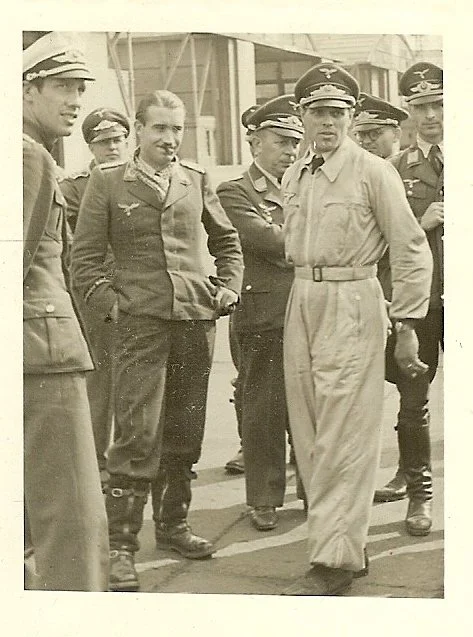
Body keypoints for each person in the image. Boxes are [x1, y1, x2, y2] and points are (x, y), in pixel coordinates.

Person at [71, 89, 244, 592]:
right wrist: (113, 307)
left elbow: (226, 240)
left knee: (185, 428)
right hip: (139, 323)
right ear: (140, 130)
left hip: (193, 318)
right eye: (160, 128)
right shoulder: (109, 181)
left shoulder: (195, 179)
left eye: (177, 129)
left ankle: (173, 526)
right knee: (136, 432)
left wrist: (228, 285)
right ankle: (121, 547)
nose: (169, 139)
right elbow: (84, 261)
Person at [281, 63, 433, 595]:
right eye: (318, 112)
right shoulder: (297, 173)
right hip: (303, 298)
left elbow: (410, 247)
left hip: (352, 299)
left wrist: (407, 321)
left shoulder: (373, 172)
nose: (327, 122)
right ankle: (345, 542)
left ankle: (335, 563)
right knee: (310, 430)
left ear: (350, 117)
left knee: (344, 434)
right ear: (302, 117)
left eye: (337, 112)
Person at [23, 31, 109, 591]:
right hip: (42, 353)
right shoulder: (28, 156)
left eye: (80, 88)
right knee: (72, 518)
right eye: (62, 87)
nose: (75, 101)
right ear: (26, 90)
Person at [217, 96, 303, 530]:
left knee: (311, 406)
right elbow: (268, 241)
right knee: (264, 407)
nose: (291, 151)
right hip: (264, 314)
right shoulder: (234, 191)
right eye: (281, 141)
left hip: (309, 309)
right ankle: (265, 498)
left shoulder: (307, 184)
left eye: (295, 142)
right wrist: (319, 240)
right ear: (254, 143)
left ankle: (314, 490)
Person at [373, 63, 444, 534]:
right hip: (424, 301)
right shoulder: (395, 170)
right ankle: (419, 495)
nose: (431, 115)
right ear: (408, 114)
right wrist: (422, 224)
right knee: (413, 398)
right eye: (421, 107)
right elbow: (380, 243)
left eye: (438, 104)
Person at [60, 107, 130, 488]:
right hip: (97, 289)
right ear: (91, 146)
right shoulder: (75, 187)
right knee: (102, 374)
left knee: (138, 375)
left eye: (118, 140)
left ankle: (132, 456)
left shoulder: (135, 179)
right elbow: (76, 247)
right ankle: (97, 460)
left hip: (138, 288)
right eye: (104, 143)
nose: (113, 148)